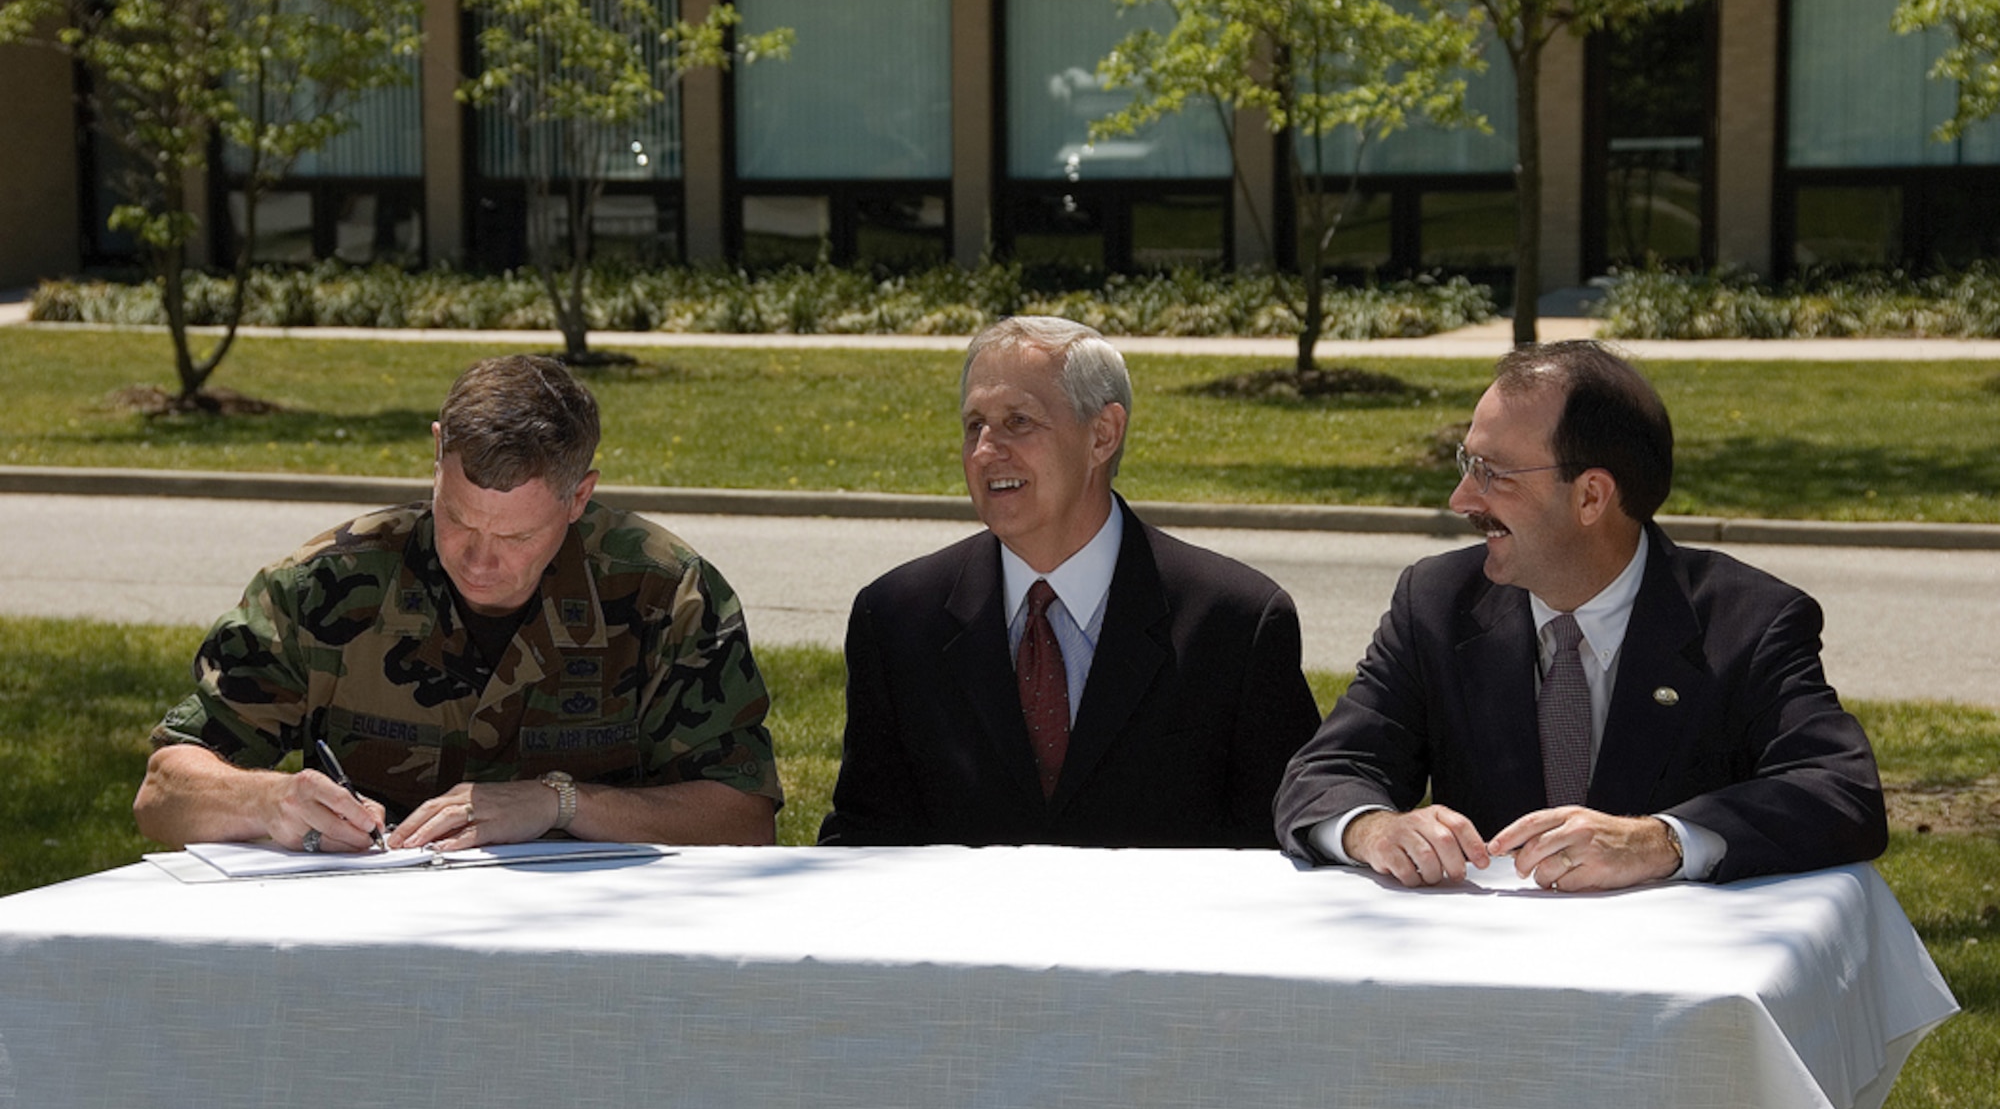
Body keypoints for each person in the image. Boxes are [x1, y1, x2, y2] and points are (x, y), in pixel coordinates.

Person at [1275, 340, 1887, 889]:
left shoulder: (1748, 621)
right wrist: (1372, 829)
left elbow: (1839, 791)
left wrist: (1661, 840)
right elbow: (1327, 772)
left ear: (1591, 496)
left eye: (1493, 474)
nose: (1463, 499)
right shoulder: (1436, 603)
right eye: (1468, 465)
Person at [135, 354, 781, 852]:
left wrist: (560, 804)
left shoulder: (666, 594)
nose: (479, 559)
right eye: (458, 520)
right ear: (436, 452)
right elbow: (163, 790)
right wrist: (270, 799)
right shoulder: (325, 587)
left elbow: (744, 815)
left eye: (516, 536)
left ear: (579, 499)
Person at [819, 316, 1321, 848]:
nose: (986, 451)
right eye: (974, 425)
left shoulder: (1234, 624)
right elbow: (864, 843)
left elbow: (1285, 843)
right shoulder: (897, 620)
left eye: (1018, 421)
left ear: (1103, 434)